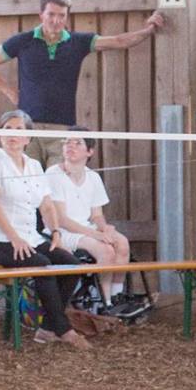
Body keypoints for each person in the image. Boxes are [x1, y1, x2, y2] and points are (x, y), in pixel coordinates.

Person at [0, 0, 164, 156]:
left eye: (62, 15)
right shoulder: (22, 41)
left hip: (62, 129)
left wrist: (148, 29)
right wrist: (10, 92)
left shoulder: (78, 42)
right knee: (29, 186)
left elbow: (118, 41)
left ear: (67, 16)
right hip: (28, 129)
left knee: (57, 187)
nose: (56, 20)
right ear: (41, 15)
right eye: (51, 14)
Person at [0, 110, 88, 348]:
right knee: (41, 265)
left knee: (71, 265)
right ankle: (64, 329)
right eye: (8, 129)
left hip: (30, 238)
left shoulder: (34, 164)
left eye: (19, 130)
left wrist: (56, 231)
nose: (13, 135)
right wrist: (13, 237)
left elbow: (47, 205)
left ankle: (47, 328)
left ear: (28, 138)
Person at [43, 133, 136, 312]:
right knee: (106, 250)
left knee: (121, 243)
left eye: (78, 143)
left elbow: (96, 215)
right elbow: (61, 219)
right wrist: (96, 235)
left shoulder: (93, 177)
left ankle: (116, 296)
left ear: (90, 151)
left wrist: (105, 229)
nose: (71, 146)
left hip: (87, 228)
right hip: (62, 230)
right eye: (67, 142)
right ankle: (103, 303)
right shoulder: (54, 173)